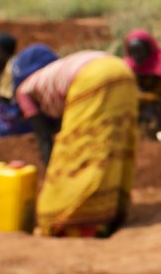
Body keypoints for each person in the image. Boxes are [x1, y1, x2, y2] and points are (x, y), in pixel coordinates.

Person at [15, 48, 137, 237]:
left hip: (93, 78)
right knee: (111, 146)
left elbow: (44, 138)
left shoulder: (24, 91)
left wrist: (53, 176)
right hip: (122, 71)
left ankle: (65, 217)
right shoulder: (53, 75)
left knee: (78, 153)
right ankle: (108, 213)